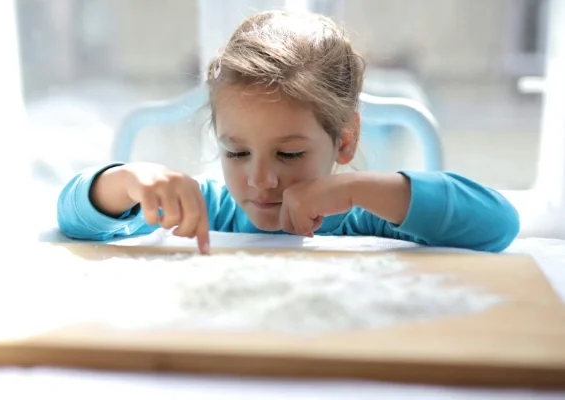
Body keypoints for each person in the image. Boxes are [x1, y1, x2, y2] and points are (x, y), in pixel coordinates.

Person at [56, 10, 520, 255]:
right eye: (236, 153)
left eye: (290, 155)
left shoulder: (368, 221)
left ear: (344, 140)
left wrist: (359, 188)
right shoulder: (209, 212)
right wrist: (125, 182)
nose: (261, 181)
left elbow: (500, 225)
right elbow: (74, 221)